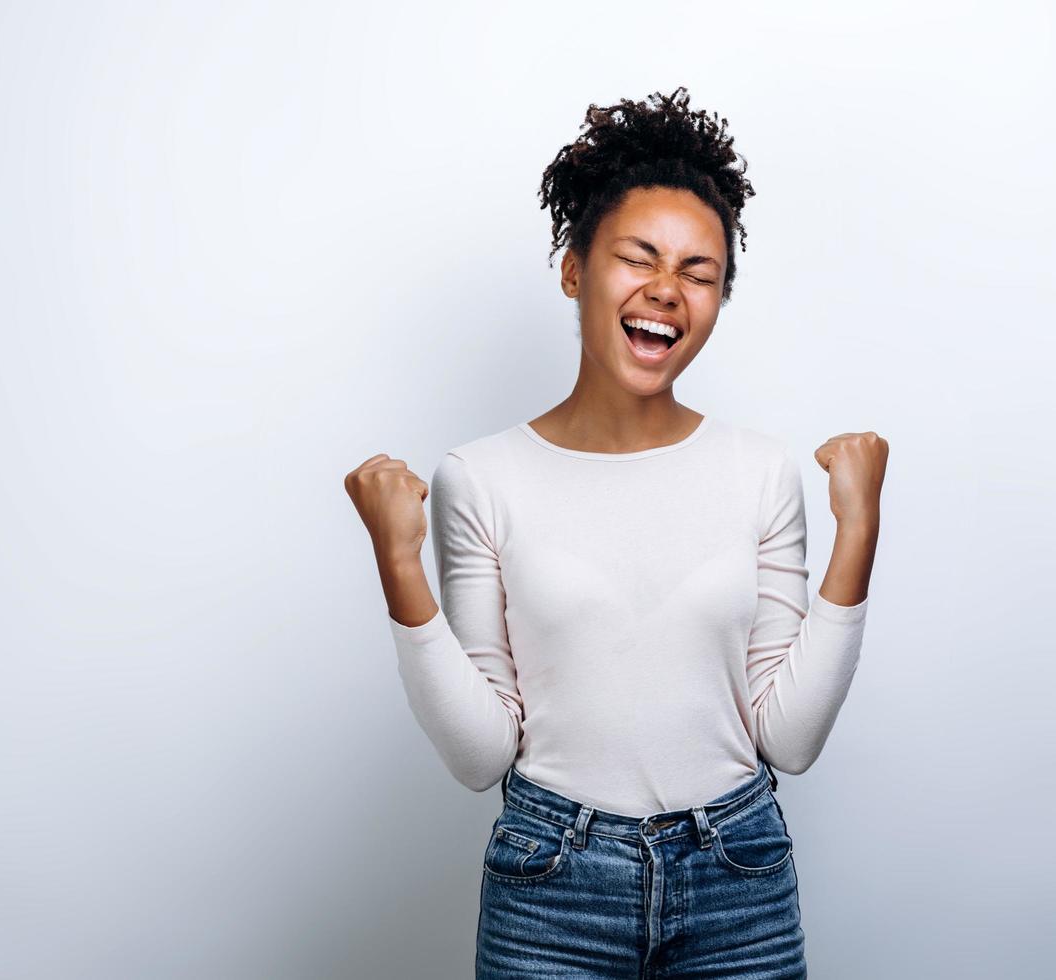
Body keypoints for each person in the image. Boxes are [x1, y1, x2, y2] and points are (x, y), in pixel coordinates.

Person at [345, 87, 887, 979]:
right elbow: (481, 756)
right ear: (573, 268)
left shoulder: (759, 471)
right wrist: (398, 564)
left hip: (737, 875)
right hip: (552, 881)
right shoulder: (481, 479)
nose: (666, 292)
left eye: (700, 273)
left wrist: (857, 531)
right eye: (638, 257)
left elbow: (787, 740)